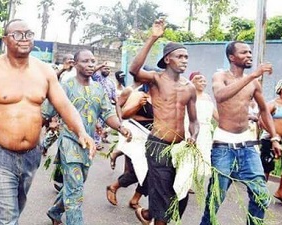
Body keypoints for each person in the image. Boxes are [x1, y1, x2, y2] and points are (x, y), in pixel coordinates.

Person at [0, 19, 95, 225]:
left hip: (31, 155)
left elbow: (65, 106)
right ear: (5, 40)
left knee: (13, 211)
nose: (24, 39)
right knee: (6, 218)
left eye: (28, 34)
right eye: (17, 35)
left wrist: (82, 131)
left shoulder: (44, 72)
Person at [199, 41, 282, 225]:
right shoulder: (220, 76)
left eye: (250, 52)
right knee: (216, 198)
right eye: (244, 52)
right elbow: (220, 95)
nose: (249, 55)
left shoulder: (253, 83)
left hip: (248, 146)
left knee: (261, 195)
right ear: (232, 57)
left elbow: (264, 111)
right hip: (223, 146)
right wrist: (253, 74)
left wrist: (275, 137)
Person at [45, 49, 132, 225]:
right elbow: (47, 110)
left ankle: (55, 211)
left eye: (93, 61)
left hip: (88, 146)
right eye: (85, 61)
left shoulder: (98, 88)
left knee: (76, 184)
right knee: (76, 189)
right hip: (70, 142)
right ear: (75, 64)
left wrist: (120, 127)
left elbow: (107, 113)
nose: (91, 64)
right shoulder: (65, 86)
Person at [129, 19, 199, 225]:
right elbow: (134, 70)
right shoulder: (155, 79)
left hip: (180, 149)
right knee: (162, 196)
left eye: (186, 56)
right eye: (180, 56)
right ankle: (155, 217)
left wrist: (193, 136)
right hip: (158, 145)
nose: (185, 60)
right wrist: (153, 38)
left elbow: (194, 121)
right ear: (168, 59)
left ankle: (147, 214)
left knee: (181, 195)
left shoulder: (189, 88)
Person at [106, 76, 153, 210]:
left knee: (151, 171)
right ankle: (114, 186)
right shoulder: (138, 94)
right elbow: (125, 114)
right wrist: (139, 105)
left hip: (151, 138)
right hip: (135, 136)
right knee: (140, 169)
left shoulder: (160, 97)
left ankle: (134, 199)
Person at [259, 79, 282, 206]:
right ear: (281, 89)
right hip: (270, 139)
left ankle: (280, 192)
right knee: (267, 166)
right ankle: (260, 194)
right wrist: (274, 135)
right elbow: (261, 120)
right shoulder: (273, 104)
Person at [185, 71, 219, 176]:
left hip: (205, 132)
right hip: (191, 128)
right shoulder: (188, 96)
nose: (203, 83)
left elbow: (216, 115)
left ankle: (195, 181)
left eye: (204, 81)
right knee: (188, 157)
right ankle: (184, 184)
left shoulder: (208, 97)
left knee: (202, 158)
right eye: (200, 80)